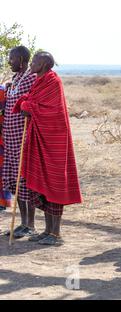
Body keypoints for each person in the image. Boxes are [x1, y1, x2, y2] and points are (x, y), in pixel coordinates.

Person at [13, 51, 82, 245]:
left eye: (34, 61)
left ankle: (56, 234)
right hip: (39, 138)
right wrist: (26, 102)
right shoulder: (39, 80)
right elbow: (33, 102)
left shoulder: (53, 81)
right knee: (43, 183)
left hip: (54, 140)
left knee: (54, 185)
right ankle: (47, 230)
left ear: (43, 64)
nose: (31, 63)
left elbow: (51, 111)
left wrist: (28, 105)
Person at [3, 46, 37, 238]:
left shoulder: (31, 78)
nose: (9, 62)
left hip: (24, 139)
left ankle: (30, 225)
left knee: (25, 181)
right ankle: (22, 223)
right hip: (11, 139)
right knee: (16, 182)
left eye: (12, 59)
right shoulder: (15, 79)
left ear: (22, 60)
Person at [0, 85, 12, 211]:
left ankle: (2, 202)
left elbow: (7, 114)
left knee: (1, 170)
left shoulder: (3, 92)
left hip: (2, 138)